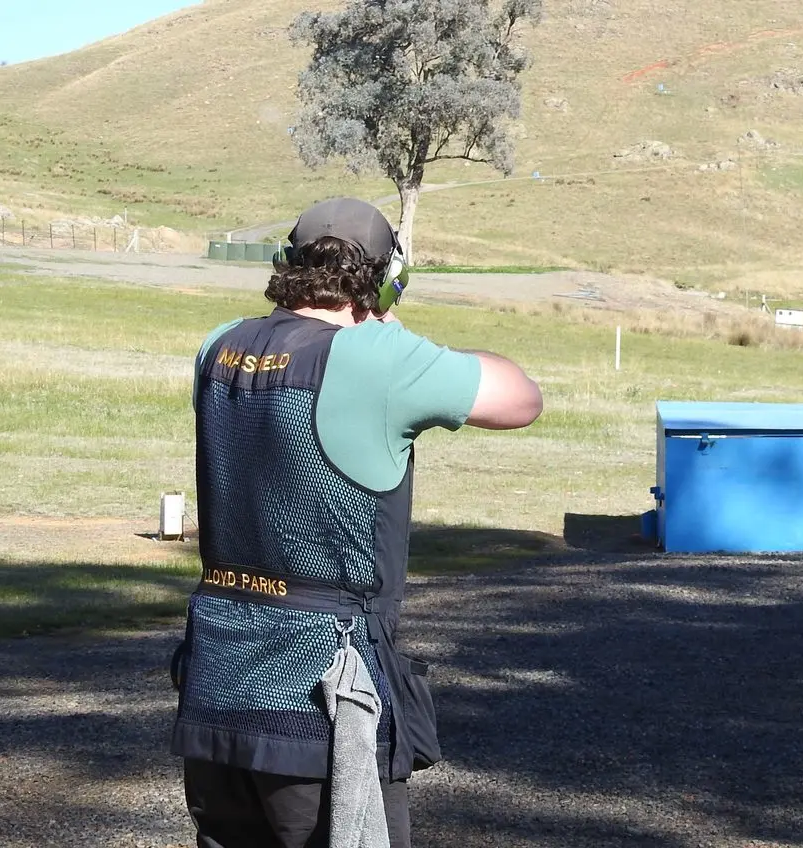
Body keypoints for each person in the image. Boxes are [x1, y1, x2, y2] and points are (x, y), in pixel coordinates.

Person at [169, 196, 543, 848]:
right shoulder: (378, 357)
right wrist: (398, 335)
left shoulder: (218, 345)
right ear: (388, 278)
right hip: (320, 700)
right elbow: (520, 398)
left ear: (286, 263)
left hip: (215, 686)